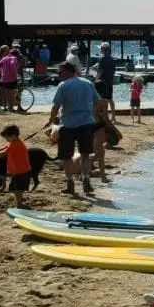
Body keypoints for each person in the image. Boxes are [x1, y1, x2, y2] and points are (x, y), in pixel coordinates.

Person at [49, 61, 101, 195]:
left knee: (67, 156)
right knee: (85, 154)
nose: (59, 75)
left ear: (67, 71)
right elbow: (97, 102)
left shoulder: (63, 85)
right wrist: (90, 112)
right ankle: (86, 181)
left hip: (68, 124)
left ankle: (70, 183)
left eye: (60, 72)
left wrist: (51, 120)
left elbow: (56, 106)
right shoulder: (88, 83)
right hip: (86, 122)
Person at [0, 125, 30, 207]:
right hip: (16, 171)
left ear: (14, 136)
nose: (6, 140)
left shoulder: (16, 144)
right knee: (15, 188)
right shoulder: (12, 142)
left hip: (21, 171)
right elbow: (1, 149)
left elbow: (2, 153)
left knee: (17, 189)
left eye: (7, 138)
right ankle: (19, 202)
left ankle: (20, 204)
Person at [92, 97, 114, 183]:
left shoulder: (90, 100)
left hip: (90, 125)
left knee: (98, 152)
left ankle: (103, 177)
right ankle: (84, 172)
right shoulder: (104, 101)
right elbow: (105, 118)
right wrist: (116, 131)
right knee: (100, 153)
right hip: (99, 125)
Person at [0, 46, 21, 112]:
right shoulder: (14, 58)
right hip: (11, 79)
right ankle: (17, 107)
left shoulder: (4, 58)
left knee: (8, 94)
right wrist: (15, 77)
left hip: (4, 79)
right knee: (14, 94)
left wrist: (1, 72)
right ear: (16, 55)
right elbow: (12, 66)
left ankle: (10, 108)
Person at [95, 43, 117, 121]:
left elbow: (100, 71)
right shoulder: (112, 59)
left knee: (103, 99)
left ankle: (105, 116)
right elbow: (114, 71)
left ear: (103, 50)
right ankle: (113, 116)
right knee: (110, 99)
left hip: (103, 82)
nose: (100, 50)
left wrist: (96, 79)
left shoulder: (102, 59)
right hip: (110, 81)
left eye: (101, 49)